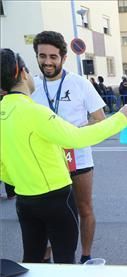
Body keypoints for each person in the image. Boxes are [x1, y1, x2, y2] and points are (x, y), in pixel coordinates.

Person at [0, 48, 127, 263]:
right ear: (23, 73)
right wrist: (120, 119)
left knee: (33, 259)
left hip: (24, 200)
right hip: (56, 199)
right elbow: (77, 138)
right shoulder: (35, 112)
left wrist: (23, 180)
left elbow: (3, 168)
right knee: (65, 260)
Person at [31, 31, 107, 264]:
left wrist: (73, 134)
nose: (47, 62)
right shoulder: (31, 85)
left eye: (53, 56)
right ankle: (48, 252)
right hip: (46, 160)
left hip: (79, 157)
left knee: (84, 208)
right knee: (50, 211)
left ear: (63, 57)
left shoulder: (80, 84)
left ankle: (86, 256)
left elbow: (100, 119)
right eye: (42, 56)